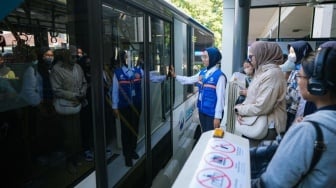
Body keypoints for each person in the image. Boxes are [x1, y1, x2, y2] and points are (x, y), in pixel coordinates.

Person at [252, 48, 336, 188]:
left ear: (316, 84)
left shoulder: (308, 130)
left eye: (300, 76)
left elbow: (272, 183)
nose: (297, 81)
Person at [234, 41, 287, 147]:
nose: (250, 60)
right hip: (257, 124)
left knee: (252, 161)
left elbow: (262, 106)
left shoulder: (272, 74)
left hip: (266, 129)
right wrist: (242, 111)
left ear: (261, 54)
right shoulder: (262, 72)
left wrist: (239, 109)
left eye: (251, 56)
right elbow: (253, 97)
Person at [170, 47, 226, 132]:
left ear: (213, 58)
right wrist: (175, 76)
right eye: (203, 57)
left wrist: (217, 117)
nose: (203, 59)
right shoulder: (203, 72)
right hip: (202, 111)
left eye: (206, 57)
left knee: (210, 137)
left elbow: (220, 99)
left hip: (212, 114)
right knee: (204, 132)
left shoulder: (219, 76)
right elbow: (190, 79)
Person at [50, 47, 87, 173]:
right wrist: (73, 95)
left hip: (76, 106)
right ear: (65, 56)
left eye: (76, 56)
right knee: (67, 137)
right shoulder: (57, 70)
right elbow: (56, 90)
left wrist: (82, 92)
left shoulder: (78, 68)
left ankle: (75, 157)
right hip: (64, 108)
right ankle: (69, 161)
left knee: (76, 135)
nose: (75, 59)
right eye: (72, 56)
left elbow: (83, 82)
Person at [284, 41, 314, 131]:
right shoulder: (294, 68)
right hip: (291, 108)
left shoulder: (307, 70)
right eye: (290, 52)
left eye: (293, 52)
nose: (290, 55)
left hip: (300, 109)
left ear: (301, 51)